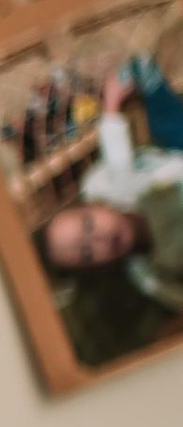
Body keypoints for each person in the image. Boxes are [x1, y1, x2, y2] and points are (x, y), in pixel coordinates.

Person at [34, 108, 183, 372]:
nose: (99, 239)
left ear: (95, 205)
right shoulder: (153, 276)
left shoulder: (126, 187)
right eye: (88, 253)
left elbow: (115, 144)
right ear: (98, 268)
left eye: (89, 224)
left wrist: (113, 103)